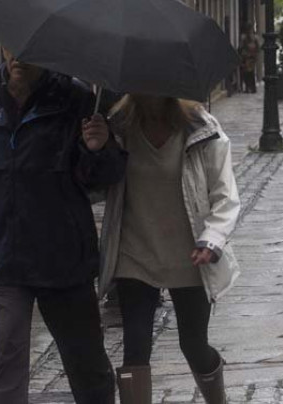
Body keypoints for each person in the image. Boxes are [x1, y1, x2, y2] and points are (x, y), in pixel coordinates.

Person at [0, 49, 127, 404]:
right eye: (12, 46)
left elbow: (102, 180)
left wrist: (98, 148)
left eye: (30, 50)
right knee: (7, 355)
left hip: (60, 253)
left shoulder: (75, 98)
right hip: (1, 249)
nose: (19, 56)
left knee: (85, 359)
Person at [98, 95, 240, 404]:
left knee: (193, 345)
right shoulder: (118, 128)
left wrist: (212, 239)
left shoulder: (201, 128)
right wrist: (95, 150)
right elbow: (96, 187)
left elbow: (225, 194)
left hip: (191, 255)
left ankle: (218, 399)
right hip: (135, 254)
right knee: (135, 348)